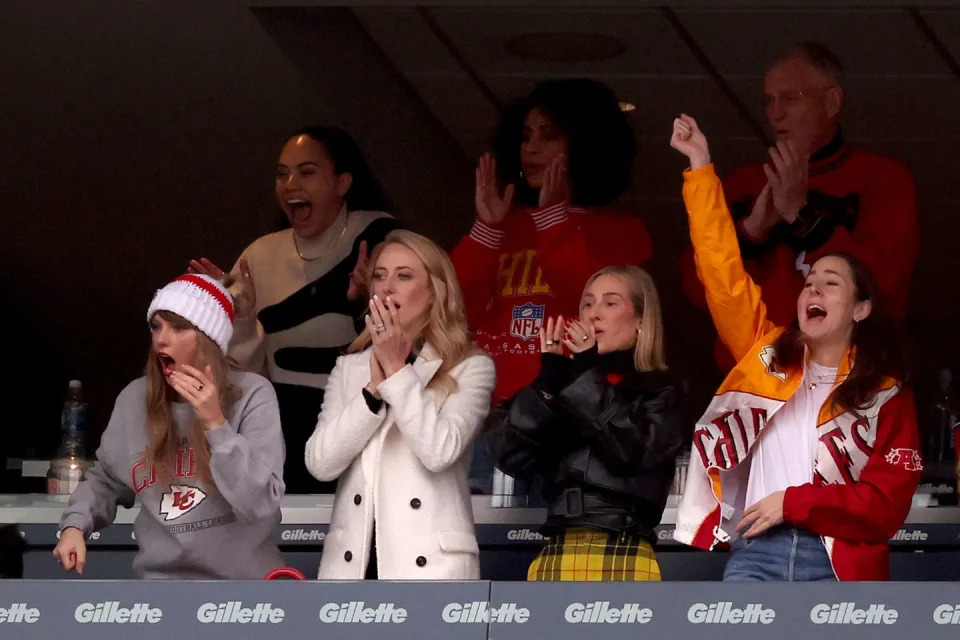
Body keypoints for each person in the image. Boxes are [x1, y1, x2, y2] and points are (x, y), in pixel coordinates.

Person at [670, 114, 922, 581]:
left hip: (843, 562)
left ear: (861, 310)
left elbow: (887, 507)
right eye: (810, 282)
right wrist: (701, 170)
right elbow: (722, 275)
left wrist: (793, 501)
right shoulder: (765, 357)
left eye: (831, 283)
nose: (813, 290)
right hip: (756, 555)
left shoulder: (886, 395)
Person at [678, 42, 919, 371]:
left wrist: (802, 216)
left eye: (791, 98)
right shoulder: (744, 184)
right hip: (759, 382)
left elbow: (884, 283)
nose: (775, 113)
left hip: (854, 381)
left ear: (831, 101)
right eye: (769, 100)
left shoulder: (883, 178)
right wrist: (752, 230)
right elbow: (696, 291)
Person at [190, 126, 399, 493]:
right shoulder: (259, 254)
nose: (290, 184)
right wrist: (237, 320)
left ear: (343, 182)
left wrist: (370, 301)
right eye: (282, 173)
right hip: (279, 431)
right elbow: (239, 376)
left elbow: (415, 344)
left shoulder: (382, 239)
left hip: (361, 424)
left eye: (306, 172)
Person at [53, 274, 285, 579]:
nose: (162, 338)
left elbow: (260, 504)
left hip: (244, 593)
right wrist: (74, 525)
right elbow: (106, 481)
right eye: (156, 326)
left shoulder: (252, 394)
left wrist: (215, 423)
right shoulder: (134, 399)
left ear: (208, 340)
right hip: (162, 592)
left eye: (178, 327)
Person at [451, 78, 654, 406]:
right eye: (526, 136)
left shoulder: (624, 232)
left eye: (549, 136)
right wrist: (486, 231)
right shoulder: (504, 222)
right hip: (488, 408)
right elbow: (453, 312)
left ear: (586, 144)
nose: (531, 148)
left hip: (571, 410)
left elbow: (586, 298)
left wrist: (552, 220)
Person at [305, 230, 495, 579]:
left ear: (435, 291)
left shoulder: (470, 366)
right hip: (352, 569)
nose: (387, 287)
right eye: (379, 275)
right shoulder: (350, 367)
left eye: (404, 276)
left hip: (432, 570)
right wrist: (372, 393)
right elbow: (320, 463)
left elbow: (439, 451)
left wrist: (395, 372)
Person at [493, 266, 683, 581]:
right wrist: (547, 383)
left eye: (610, 303)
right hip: (556, 547)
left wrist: (584, 371)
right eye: (588, 304)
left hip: (625, 546)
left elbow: (630, 450)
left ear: (640, 320)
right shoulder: (565, 386)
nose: (594, 314)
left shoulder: (662, 391)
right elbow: (510, 456)